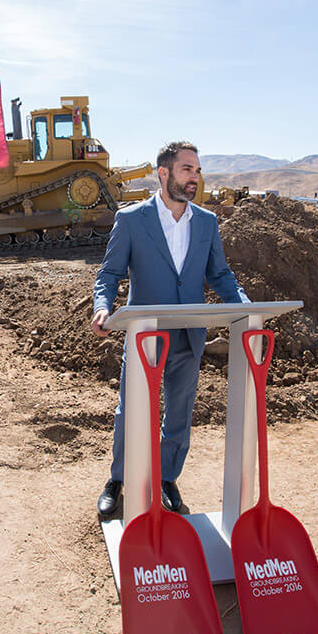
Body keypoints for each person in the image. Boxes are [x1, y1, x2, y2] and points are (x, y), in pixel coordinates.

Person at [91, 141, 249, 517]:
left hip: (189, 333)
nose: (194, 178)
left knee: (179, 412)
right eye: (186, 170)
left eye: (197, 170)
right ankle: (119, 480)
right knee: (132, 410)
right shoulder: (131, 219)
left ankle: (166, 479)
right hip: (145, 334)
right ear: (164, 173)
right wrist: (102, 307)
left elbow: (220, 274)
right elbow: (110, 273)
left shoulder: (207, 222)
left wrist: (244, 307)